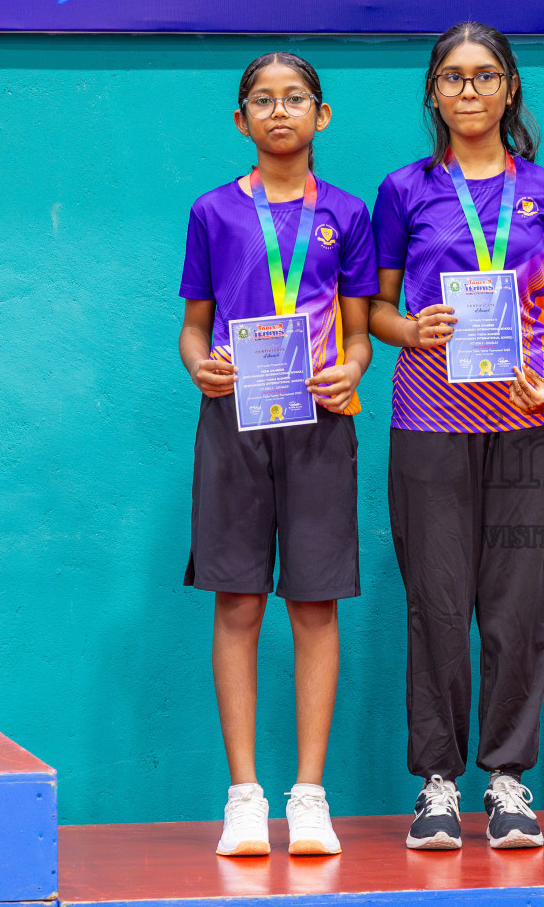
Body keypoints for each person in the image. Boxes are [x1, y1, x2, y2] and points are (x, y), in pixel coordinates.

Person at [370, 22, 544, 852]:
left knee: (516, 606)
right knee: (436, 604)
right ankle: (437, 783)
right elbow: (375, 310)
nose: (470, 90)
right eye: (454, 77)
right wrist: (408, 330)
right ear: (434, 92)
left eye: (485, 75)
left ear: (510, 88)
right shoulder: (404, 190)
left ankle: (506, 780)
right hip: (430, 422)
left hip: (528, 423)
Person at [177, 52, 377, 857]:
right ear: (242, 120)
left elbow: (359, 335)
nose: (279, 111)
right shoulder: (213, 212)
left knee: (315, 605)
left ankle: (309, 796)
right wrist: (200, 365)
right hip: (234, 422)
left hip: (320, 424)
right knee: (237, 603)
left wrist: (352, 368)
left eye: (295, 98)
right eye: (263, 100)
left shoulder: (348, 214)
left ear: (320, 115)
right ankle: (244, 796)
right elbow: (195, 327)